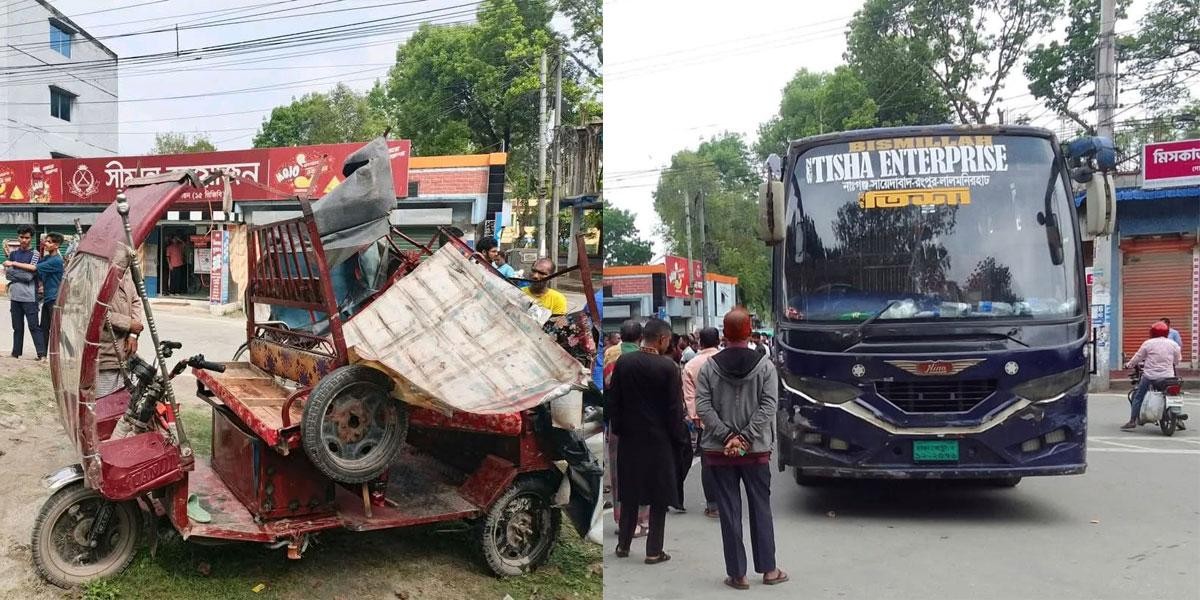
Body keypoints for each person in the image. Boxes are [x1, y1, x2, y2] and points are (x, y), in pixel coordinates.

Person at [696, 307, 787, 590]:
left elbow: (703, 407)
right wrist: (745, 438)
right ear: (750, 332)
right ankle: (769, 570)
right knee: (761, 508)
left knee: (729, 510)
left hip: (719, 451)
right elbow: (769, 406)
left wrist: (727, 437)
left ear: (724, 334)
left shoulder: (708, 367)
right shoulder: (765, 367)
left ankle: (738, 574)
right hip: (755, 451)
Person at [608, 318, 688, 564]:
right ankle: (654, 550)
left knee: (629, 492)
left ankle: (623, 545)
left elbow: (614, 401)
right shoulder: (668, 368)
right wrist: (679, 438)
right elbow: (674, 410)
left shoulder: (624, 362)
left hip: (630, 438)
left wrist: (619, 429)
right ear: (662, 339)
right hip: (659, 441)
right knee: (658, 496)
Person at [604, 319, 650, 536]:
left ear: (620, 336)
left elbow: (607, 384)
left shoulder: (611, 353)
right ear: (640, 337)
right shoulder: (648, 355)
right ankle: (642, 520)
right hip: (644, 423)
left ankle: (623, 519)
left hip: (617, 422)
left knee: (618, 472)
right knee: (643, 470)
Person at [681, 326, 721, 518]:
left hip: (705, 423)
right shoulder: (726, 360)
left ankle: (713, 506)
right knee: (730, 460)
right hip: (730, 421)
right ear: (718, 341)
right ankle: (728, 501)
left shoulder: (691, 365)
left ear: (699, 343)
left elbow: (689, 396)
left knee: (708, 463)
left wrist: (696, 418)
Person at [1122, 321, 1182, 431]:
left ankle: (1132, 421)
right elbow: (1178, 360)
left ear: (1152, 332)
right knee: (1174, 394)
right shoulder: (1173, 344)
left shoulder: (1148, 343)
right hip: (1168, 377)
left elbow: (1138, 357)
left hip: (1150, 377)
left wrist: (1129, 365)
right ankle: (1178, 418)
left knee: (1138, 396)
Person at [95, 271, 144, 397]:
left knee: (127, 402)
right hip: (105, 355)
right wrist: (128, 323)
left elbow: (135, 301)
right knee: (105, 403)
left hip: (126, 355)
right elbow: (94, 310)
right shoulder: (96, 270)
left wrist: (133, 334)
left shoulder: (126, 271)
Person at [4, 225, 44, 360]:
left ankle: (41, 354)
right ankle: (15, 353)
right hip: (15, 297)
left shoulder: (35, 255)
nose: (24, 240)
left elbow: (29, 276)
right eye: (21, 237)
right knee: (17, 327)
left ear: (31, 238)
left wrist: (14, 267)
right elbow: (8, 275)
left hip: (29, 297)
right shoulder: (13, 254)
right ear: (18, 237)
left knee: (34, 326)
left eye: (27, 237)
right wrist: (21, 271)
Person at [34, 233, 65, 354]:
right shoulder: (47, 258)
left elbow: (34, 268)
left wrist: (14, 264)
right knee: (44, 327)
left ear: (56, 245)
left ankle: (59, 354)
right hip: (47, 298)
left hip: (55, 299)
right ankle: (43, 354)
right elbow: (37, 269)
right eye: (46, 241)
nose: (45, 243)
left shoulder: (57, 261)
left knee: (56, 329)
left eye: (49, 242)